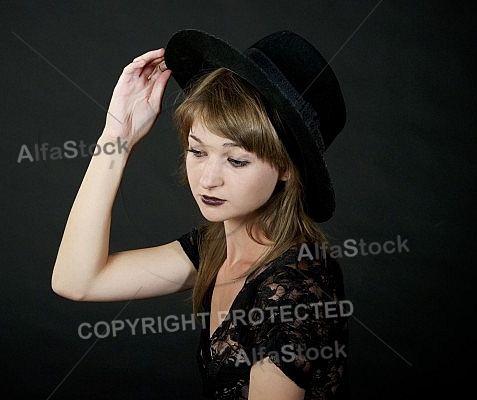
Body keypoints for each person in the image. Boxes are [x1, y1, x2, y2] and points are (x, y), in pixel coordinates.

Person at [52, 29, 350, 400]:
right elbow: (76, 280)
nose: (208, 180)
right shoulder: (215, 249)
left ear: (287, 168)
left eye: (237, 160)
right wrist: (118, 137)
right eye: (197, 151)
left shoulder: (293, 287)